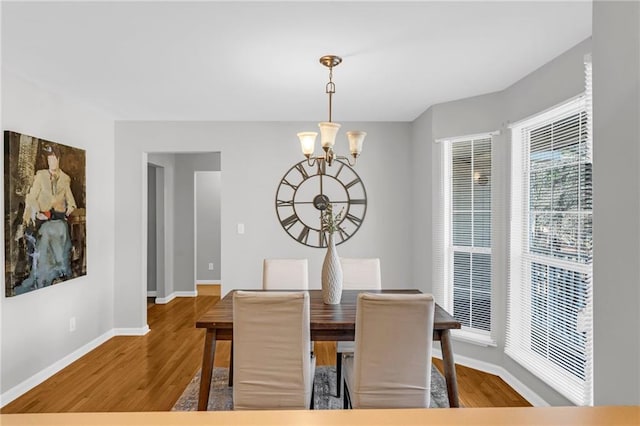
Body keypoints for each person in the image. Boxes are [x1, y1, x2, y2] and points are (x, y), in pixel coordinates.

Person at [15, 144, 77, 294]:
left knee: (59, 230)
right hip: (41, 219)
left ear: (58, 159)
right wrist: (37, 212)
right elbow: (31, 197)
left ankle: (57, 272)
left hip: (58, 219)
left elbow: (72, 202)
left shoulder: (65, 179)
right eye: (49, 159)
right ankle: (44, 276)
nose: (51, 162)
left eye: (54, 158)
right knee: (46, 232)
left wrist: (67, 210)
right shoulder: (40, 175)